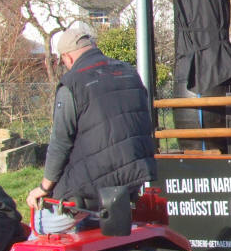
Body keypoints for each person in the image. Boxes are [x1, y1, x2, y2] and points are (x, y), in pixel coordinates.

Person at [26, 22, 157, 233]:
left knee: (41, 227)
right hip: (135, 177)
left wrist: (44, 187)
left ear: (67, 57)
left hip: (93, 185)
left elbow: (61, 142)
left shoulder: (72, 83)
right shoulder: (129, 72)